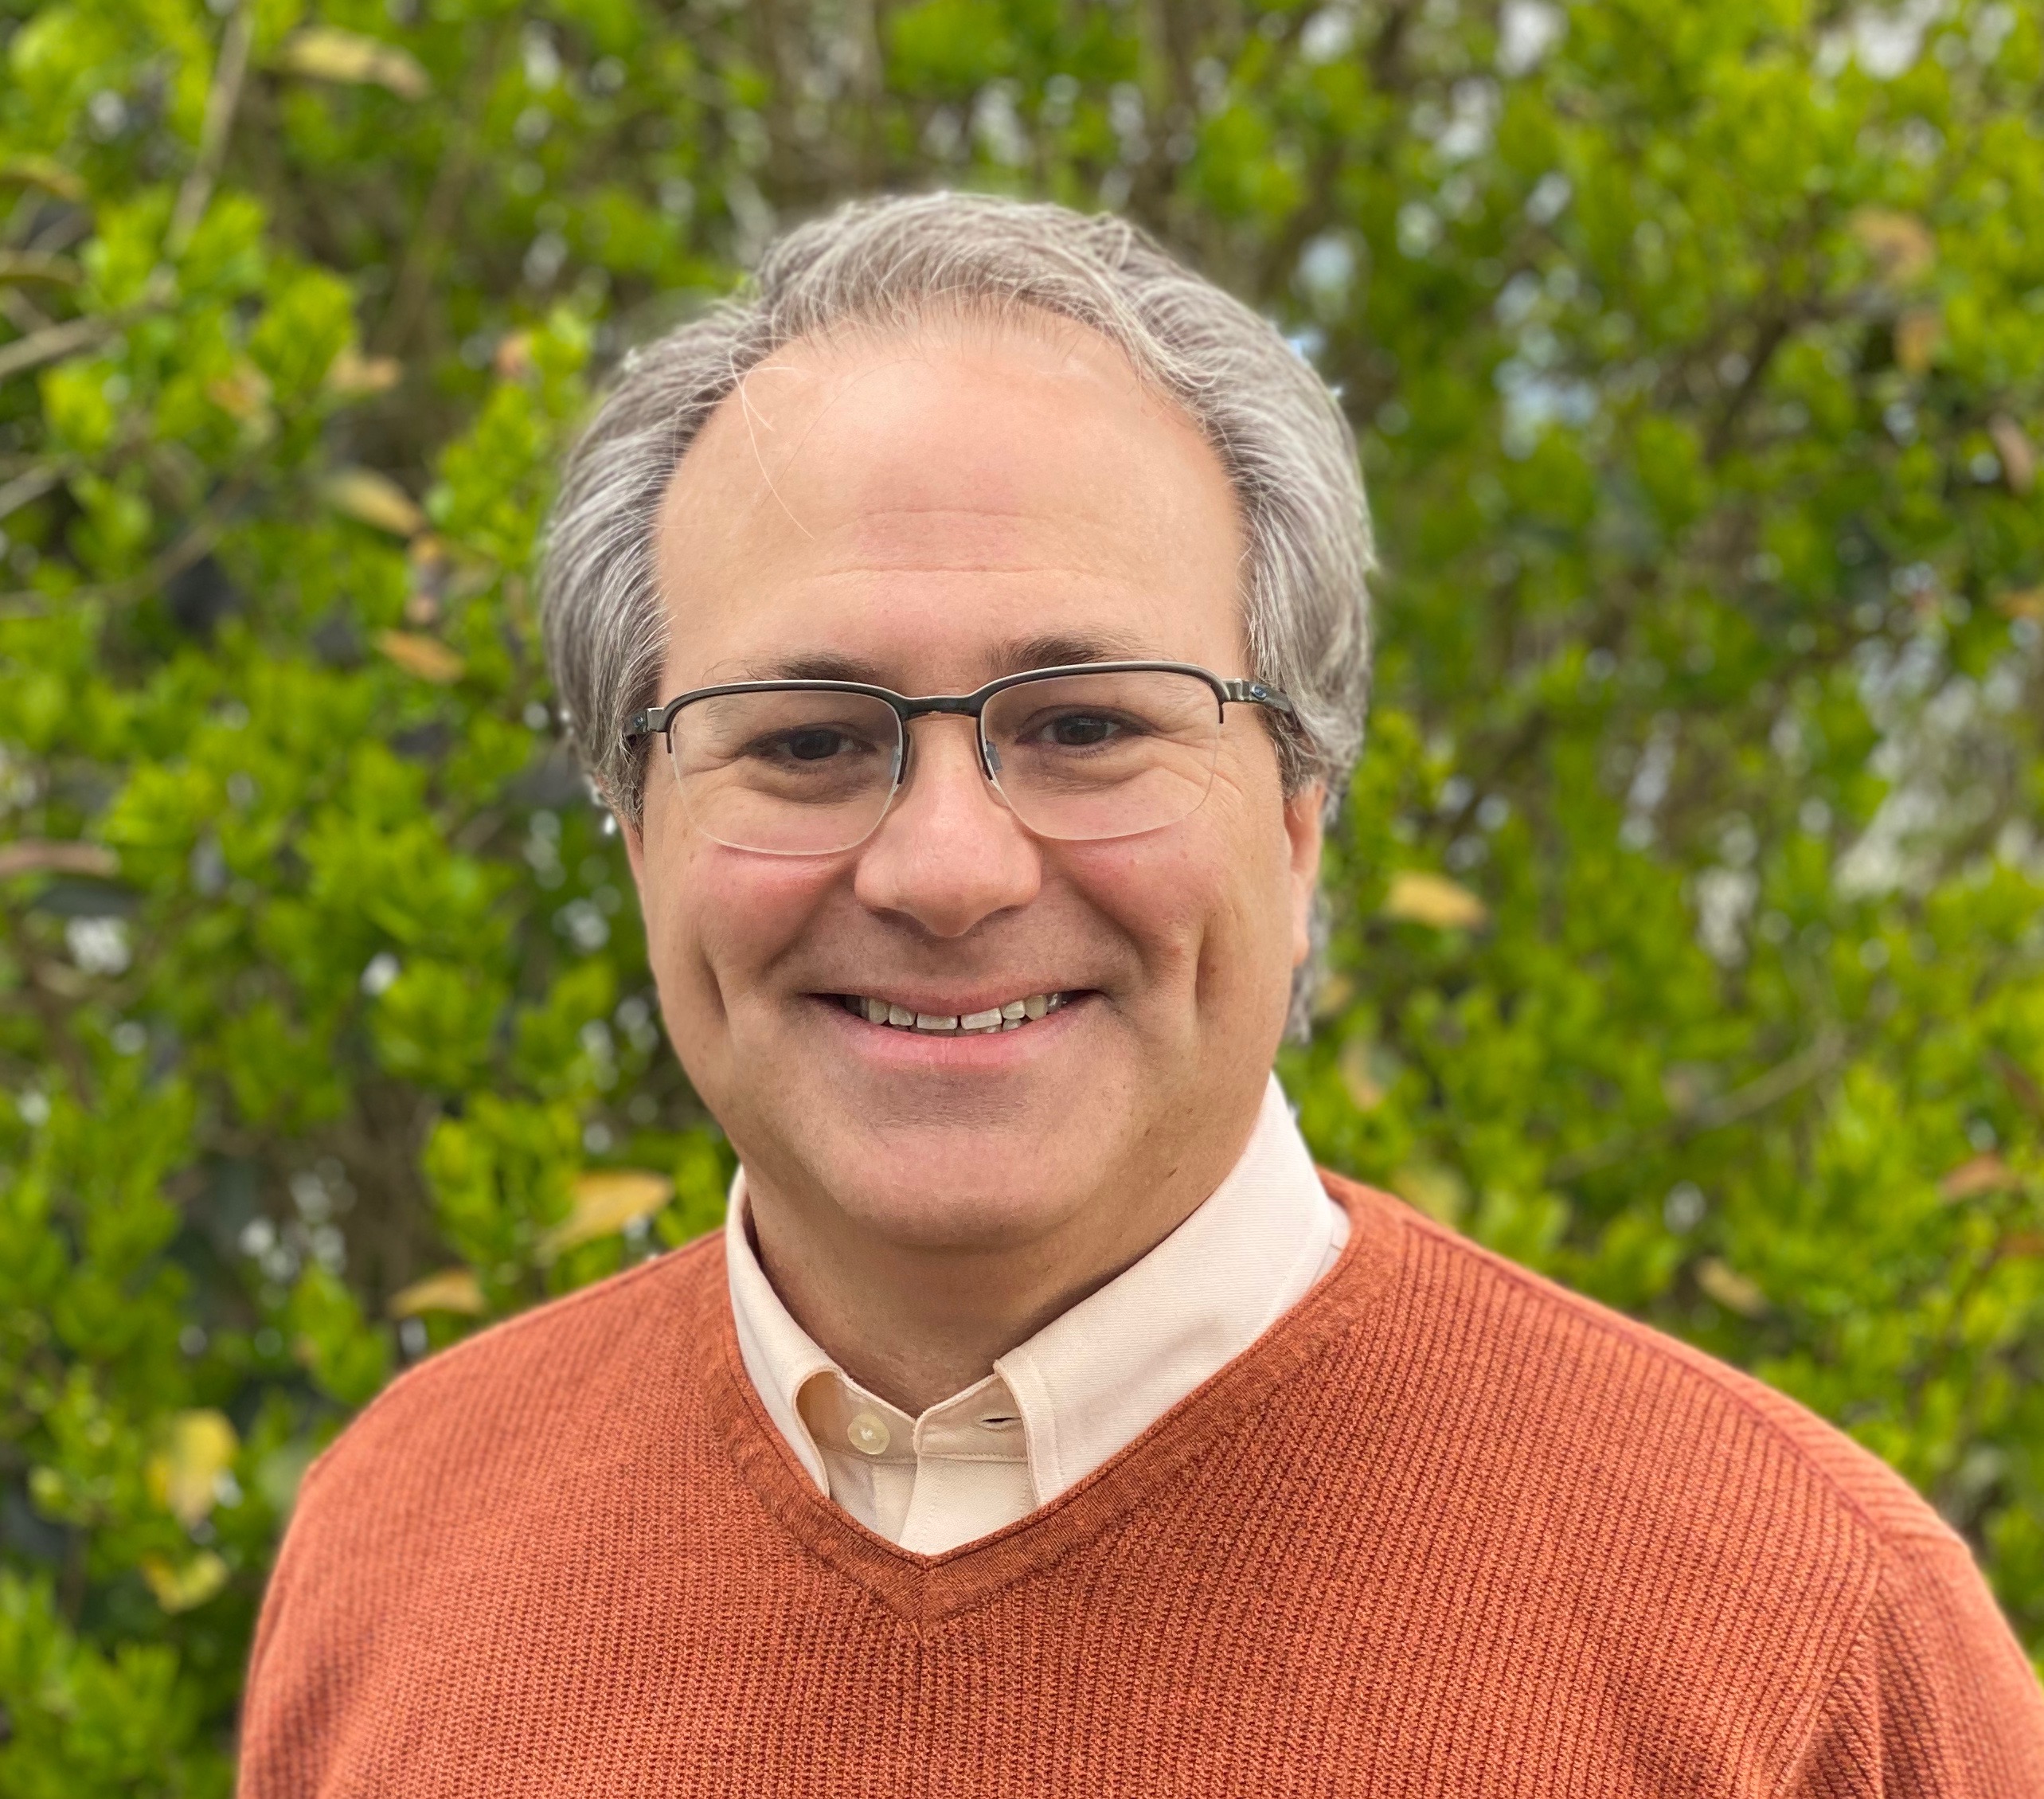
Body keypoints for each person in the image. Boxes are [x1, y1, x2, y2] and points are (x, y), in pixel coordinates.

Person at [236, 193, 2044, 1796]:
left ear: (1301, 817)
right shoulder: (400, 1542)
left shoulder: (1809, 1645)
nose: (948, 867)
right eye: (805, 740)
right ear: (640, 834)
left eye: (1087, 724)